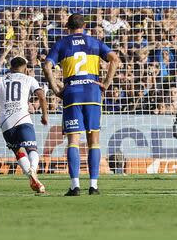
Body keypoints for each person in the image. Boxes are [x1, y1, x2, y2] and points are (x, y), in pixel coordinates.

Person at [42, 13, 120, 196]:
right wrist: (107, 84)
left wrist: (55, 89)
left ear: (67, 27)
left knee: (73, 141)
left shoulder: (61, 44)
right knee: (94, 141)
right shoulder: (94, 42)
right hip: (92, 92)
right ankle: (93, 186)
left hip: (72, 93)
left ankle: (75, 185)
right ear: (84, 26)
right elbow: (115, 59)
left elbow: (46, 66)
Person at [0, 56, 49, 194]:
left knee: (18, 152)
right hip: (23, 118)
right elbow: (42, 96)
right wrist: (44, 115)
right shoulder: (29, 79)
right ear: (25, 68)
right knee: (32, 149)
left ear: (11, 66)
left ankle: (32, 177)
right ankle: (33, 170)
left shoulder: (1, 79)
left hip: (6, 122)